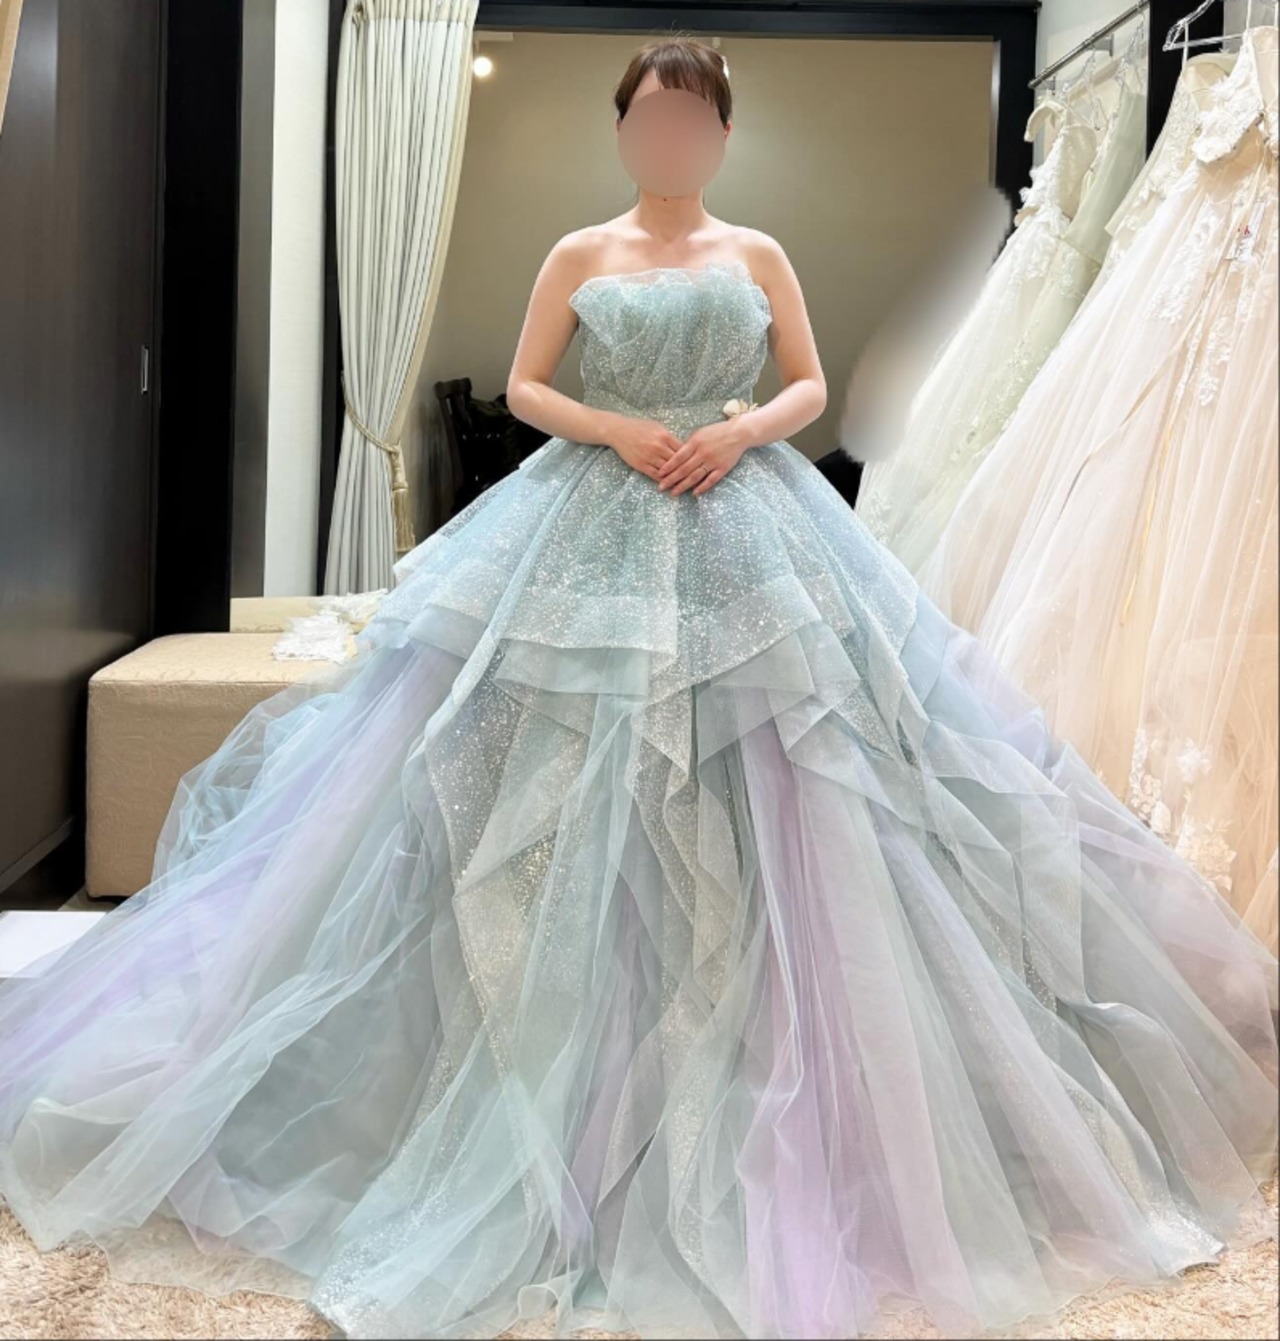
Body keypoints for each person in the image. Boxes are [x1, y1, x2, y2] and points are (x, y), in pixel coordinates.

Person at [0, 36, 1276, 1341]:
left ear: (716, 136)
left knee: (798, 766)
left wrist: (740, 429)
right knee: (521, 765)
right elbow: (527, 384)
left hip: (747, 510)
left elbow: (809, 381)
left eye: (693, 120)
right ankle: (528, 1092)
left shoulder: (757, 250)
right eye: (652, 119)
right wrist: (612, 426)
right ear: (628, 133)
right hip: (589, 511)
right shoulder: (582, 251)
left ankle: (770, 1093)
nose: (671, 140)